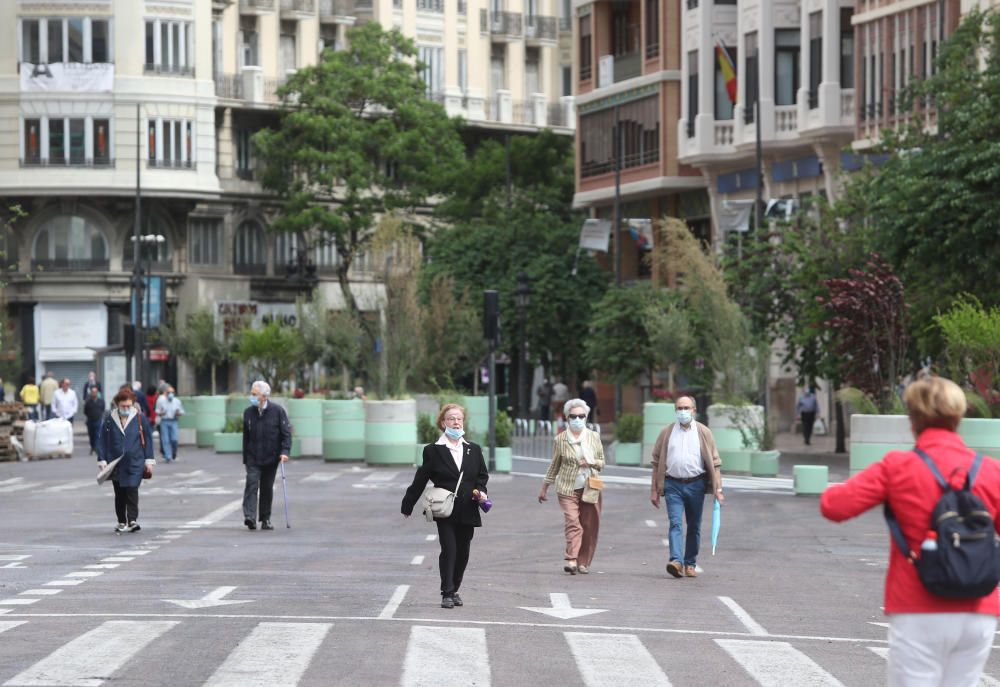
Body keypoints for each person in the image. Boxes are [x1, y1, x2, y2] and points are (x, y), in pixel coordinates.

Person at [820, 377, 1000, 687]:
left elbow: (833, 506)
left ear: (912, 418)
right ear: (958, 416)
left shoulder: (898, 466)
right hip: (978, 607)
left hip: (918, 606)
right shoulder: (991, 470)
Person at [402, 403, 489, 609]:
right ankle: (447, 593)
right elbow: (421, 478)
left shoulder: (473, 450)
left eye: (459, 419)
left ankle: (455, 588)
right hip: (445, 509)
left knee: (463, 552)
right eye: (451, 419)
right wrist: (408, 503)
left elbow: (481, 475)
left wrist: (480, 490)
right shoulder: (433, 450)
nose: (456, 422)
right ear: (443, 423)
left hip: (468, 508)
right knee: (449, 549)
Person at [649, 395, 724, 578]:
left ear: (694, 410)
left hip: (696, 485)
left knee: (694, 526)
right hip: (673, 484)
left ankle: (690, 562)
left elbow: (715, 463)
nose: (683, 411)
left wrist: (718, 490)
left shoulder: (703, 432)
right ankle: (676, 561)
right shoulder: (667, 432)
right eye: (679, 408)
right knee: (675, 523)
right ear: (675, 411)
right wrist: (654, 490)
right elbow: (656, 461)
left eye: (686, 408)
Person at [538, 398, 605, 575]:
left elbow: (601, 462)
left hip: (590, 487)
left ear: (586, 417)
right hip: (567, 488)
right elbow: (554, 464)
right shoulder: (560, 439)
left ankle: (583, 562)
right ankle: (571, 558)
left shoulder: (593, 437)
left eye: (581, 416)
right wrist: (545, 487)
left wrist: (590, 462)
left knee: (589, 526)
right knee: (573, 522)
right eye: (573, 416)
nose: (577, 419)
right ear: (567, 418)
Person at [97, 388, 154, 533]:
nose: (126, 408)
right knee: (120, 492)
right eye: (123, 406)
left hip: (135, 461)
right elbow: (102, 440)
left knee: (132, 489)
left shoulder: (139, 417)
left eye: (129, 405)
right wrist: (102, 459)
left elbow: (147, 439)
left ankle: (133, 520)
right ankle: (121, 521)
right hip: (116, 462)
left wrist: (149, 461)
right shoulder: (110, 419)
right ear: (117, 404)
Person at [242, 381, 292, 531]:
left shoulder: (277, 411)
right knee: (251, 484)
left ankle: (265, 519)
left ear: (264, 396)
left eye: (254, 394)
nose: (251, 397)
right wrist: (246, 457)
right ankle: (250, 517)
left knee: (266, 488)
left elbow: (286, 434)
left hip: (271, 457)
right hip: (253, 457)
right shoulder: (248, 413)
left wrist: (285, 452)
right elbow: (246, 437)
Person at [155, 386, 184, 463]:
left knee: (174, 439)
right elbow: (157, 411)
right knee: (165, 439)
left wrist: (178, 413)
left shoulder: (177, 401)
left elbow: (181, 411)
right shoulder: (161, 401)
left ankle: (173, 453)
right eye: (168, 392)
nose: (170, 394)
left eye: (172, 392)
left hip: (174, 420)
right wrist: (161, 413)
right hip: (164, 421)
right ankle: (168, 456)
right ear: (165, 393)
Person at [83, 387, 105, 455]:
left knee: (97, 434)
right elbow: (85, 411)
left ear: (97, 393)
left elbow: (103, 409)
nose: (94, 393)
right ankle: (92, 447)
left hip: (98, 419)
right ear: (91, 393)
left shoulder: (101, 401)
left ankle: (96, 448)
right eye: (93, 392)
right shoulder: (88, 401)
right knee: (91, 435)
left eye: (95, 392)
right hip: (90, 420)